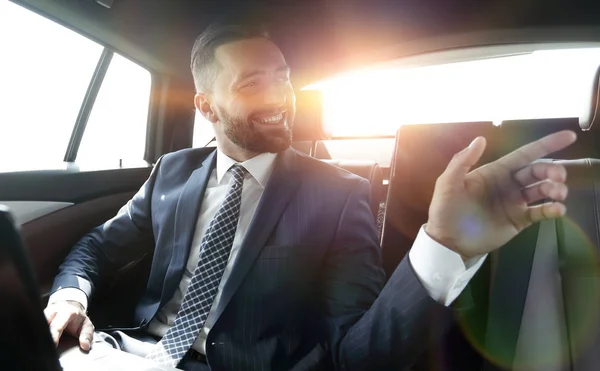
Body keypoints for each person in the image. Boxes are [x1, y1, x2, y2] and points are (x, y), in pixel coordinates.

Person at [44, 23, 576, 371]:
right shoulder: (172, 171)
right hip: (127, 353)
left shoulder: (340, 196)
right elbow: (98, 246)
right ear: (206, 107)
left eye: (284, 77)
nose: (279, 95)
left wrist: (443, 246)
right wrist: (71, 295)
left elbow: (357, 354)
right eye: (253, 83)